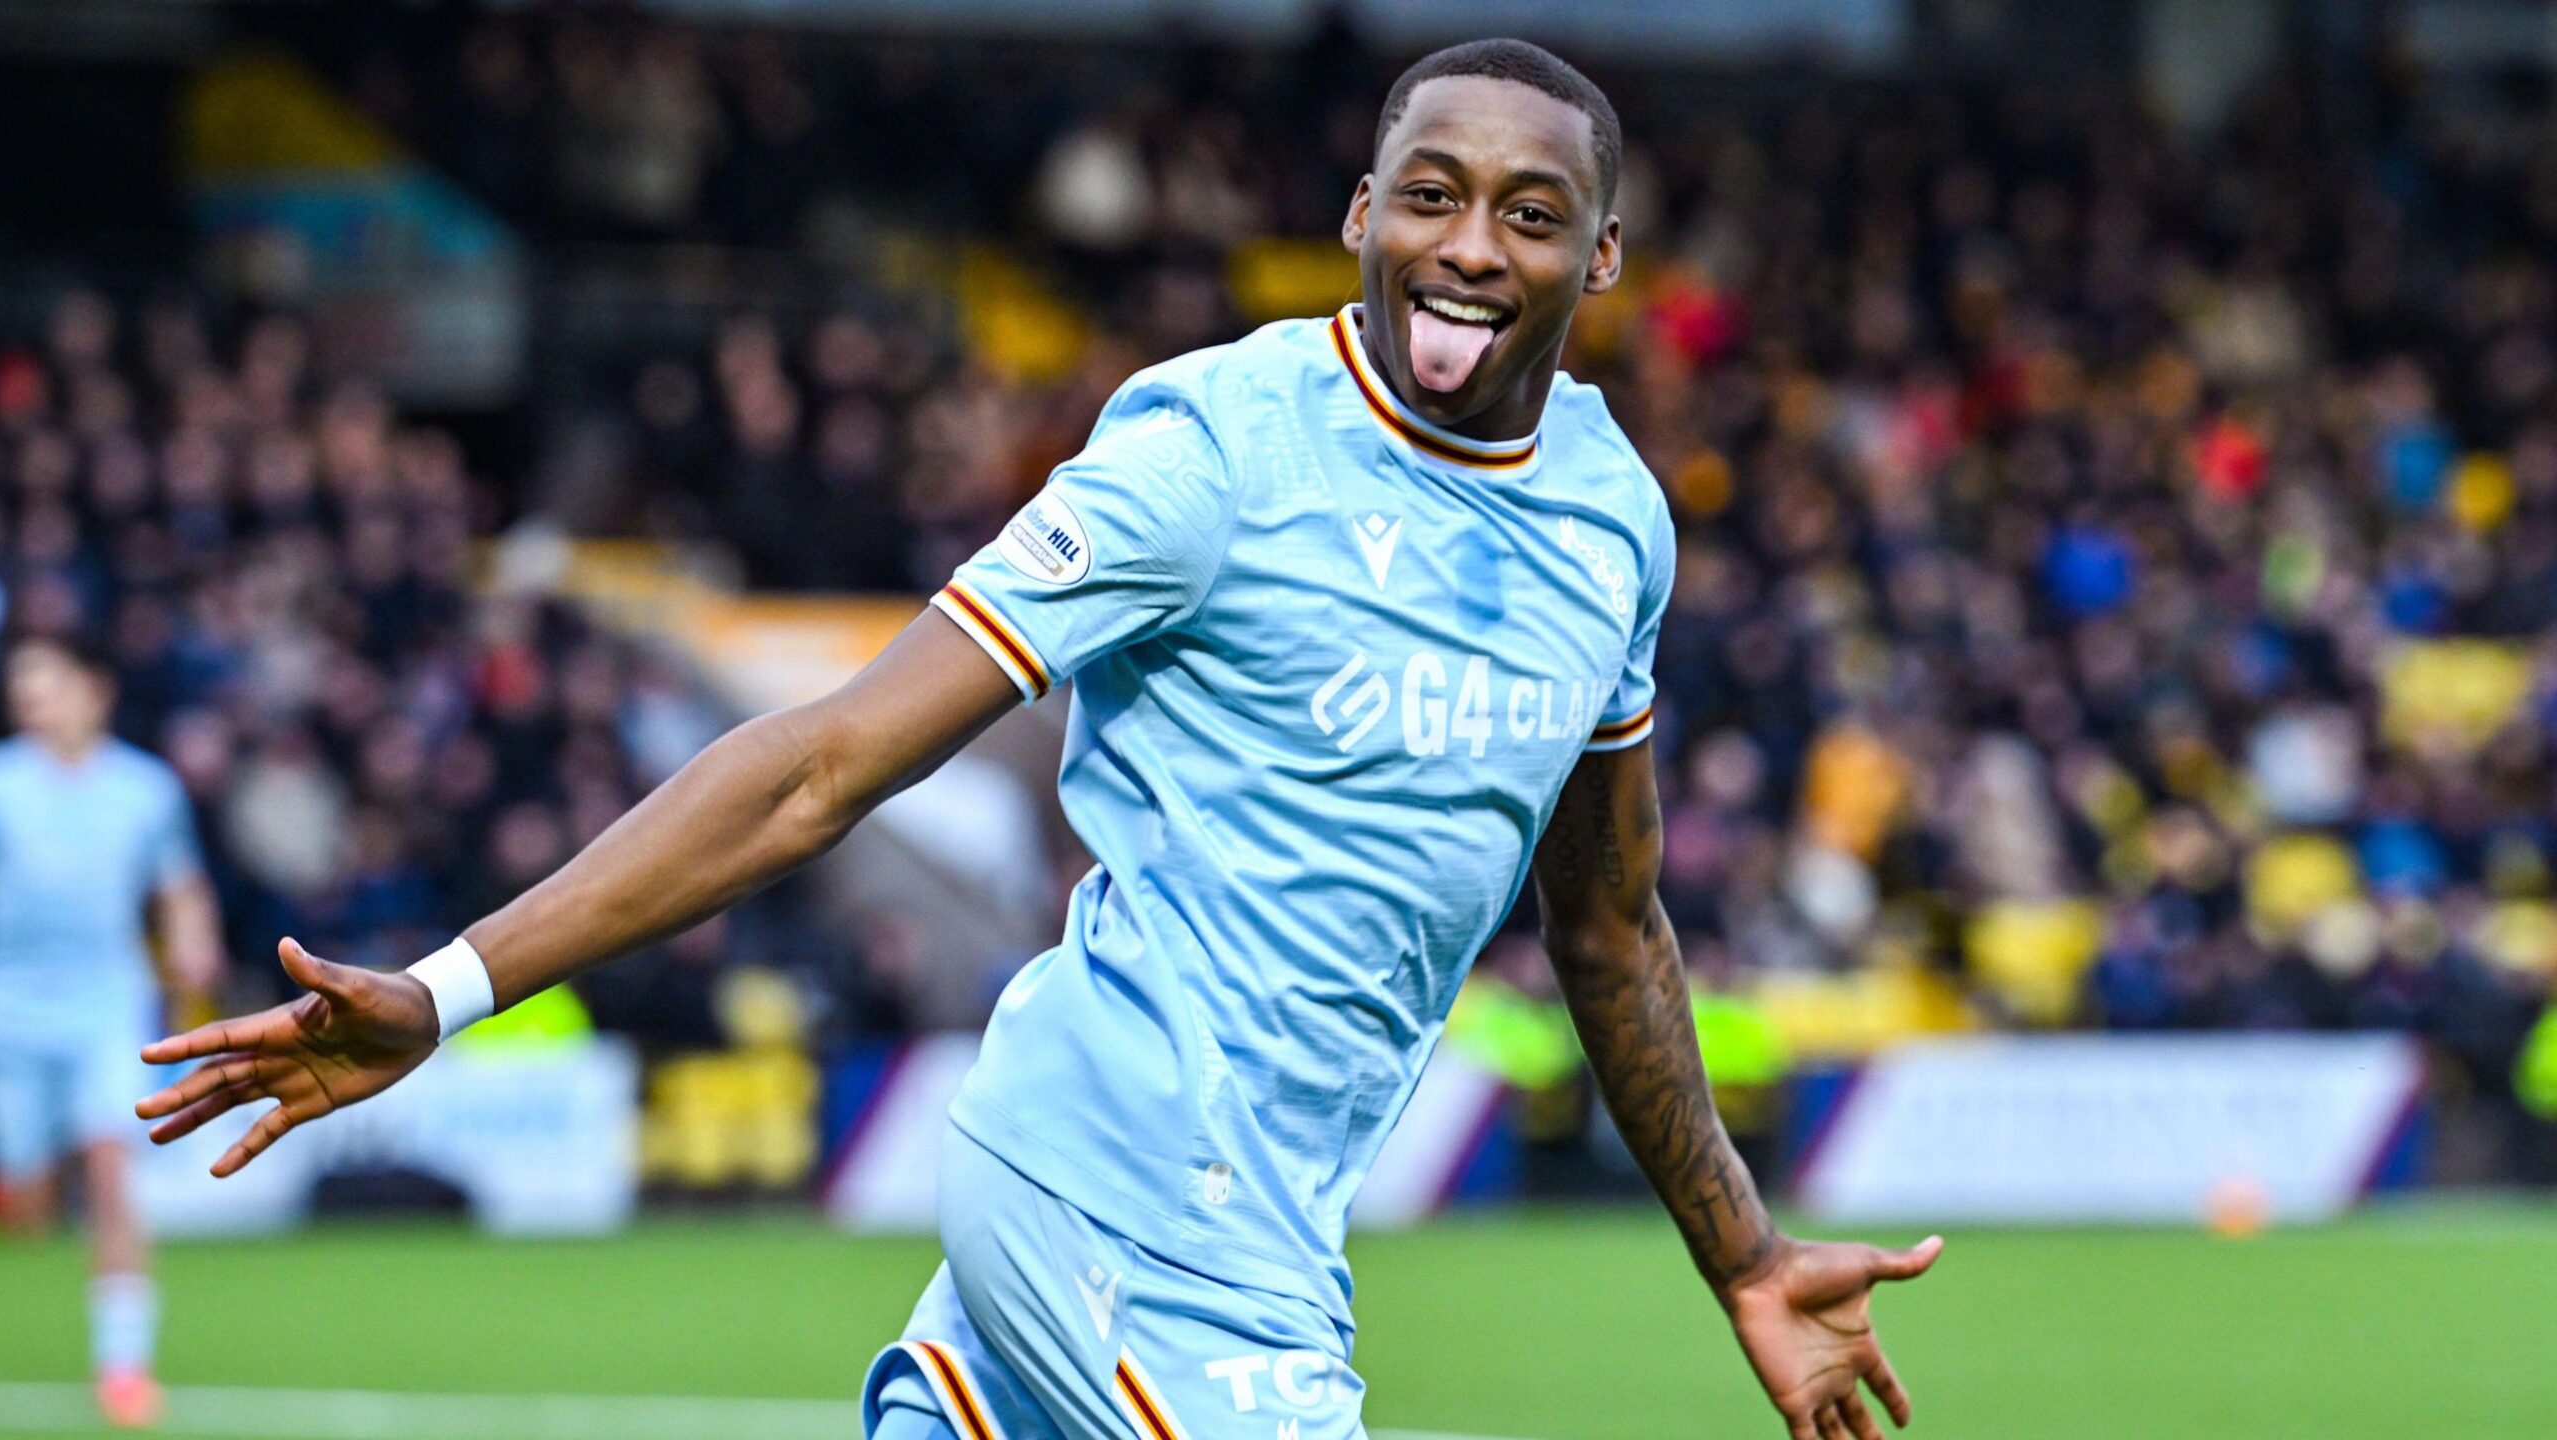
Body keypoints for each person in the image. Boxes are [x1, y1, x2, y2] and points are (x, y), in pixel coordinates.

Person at [140, 40, 1939, 1440]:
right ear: (1359, 215)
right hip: (1131, 1193)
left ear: (1602, 253)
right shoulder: (1216, 454)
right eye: (1430, 197)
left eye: (1530, 215)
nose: (1469, 248)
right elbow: (827, 763)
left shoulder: (1614, 521)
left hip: (1248, 1217)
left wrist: (1747, 1257)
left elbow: (1609, 924)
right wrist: (449, 990)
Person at [0, 632, 224, 1429]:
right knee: (25, 1207)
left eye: (47, 683)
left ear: (94, 688)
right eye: (22, 688)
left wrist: (194, 944)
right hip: (8, 1007)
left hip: (104, 1001)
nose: (31, 701)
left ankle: (124, 1366)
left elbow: (180, 886)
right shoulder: (3, 783)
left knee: (109, 1166)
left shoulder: (145, 789)